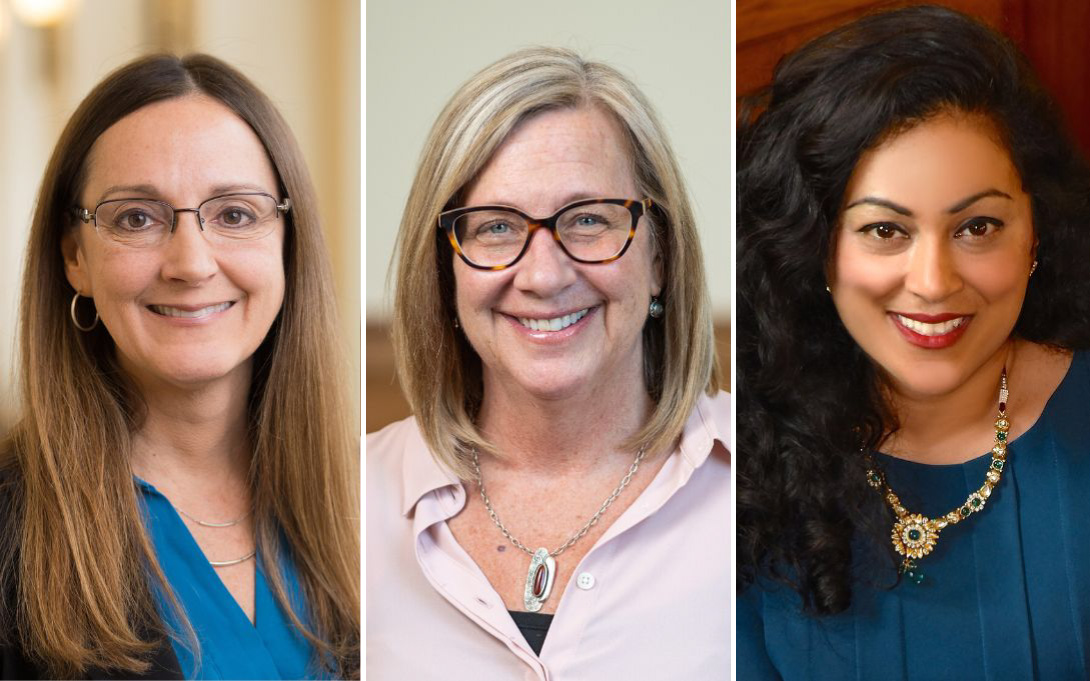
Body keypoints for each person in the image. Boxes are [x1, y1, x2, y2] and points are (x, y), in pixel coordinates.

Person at [737, 5, 1090, 679]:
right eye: (884, 230)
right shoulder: (737, 462)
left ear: (1036, 234)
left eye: (978, 226)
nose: (933, 283)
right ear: (818, 248)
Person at [367, 47, 728, 680]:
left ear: (660, 257)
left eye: (587, 220)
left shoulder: (772, 476)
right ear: (445, 269)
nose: (542, 275)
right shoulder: (345, 499)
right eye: (496, 228)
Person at [0, 54, 359, 679]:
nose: (191, 264)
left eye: (235, 214)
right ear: (74, 258)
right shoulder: (11, 532)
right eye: (136, 218)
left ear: (287, 245)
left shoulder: (380, 510)